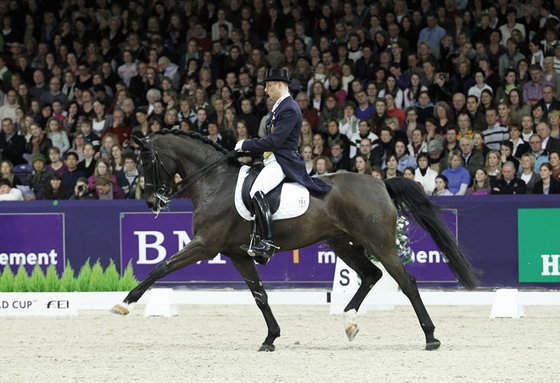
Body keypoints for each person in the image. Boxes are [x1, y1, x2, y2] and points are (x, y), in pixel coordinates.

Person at [235, 69, 332, 259]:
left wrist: (245, 145)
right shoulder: (279, 107)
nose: (265, 90)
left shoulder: (289, 108)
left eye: (268, 85)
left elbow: (274, 141)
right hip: (273, 159)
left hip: (283, 161)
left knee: (256, 191)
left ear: (280, 84)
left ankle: (268, 241)